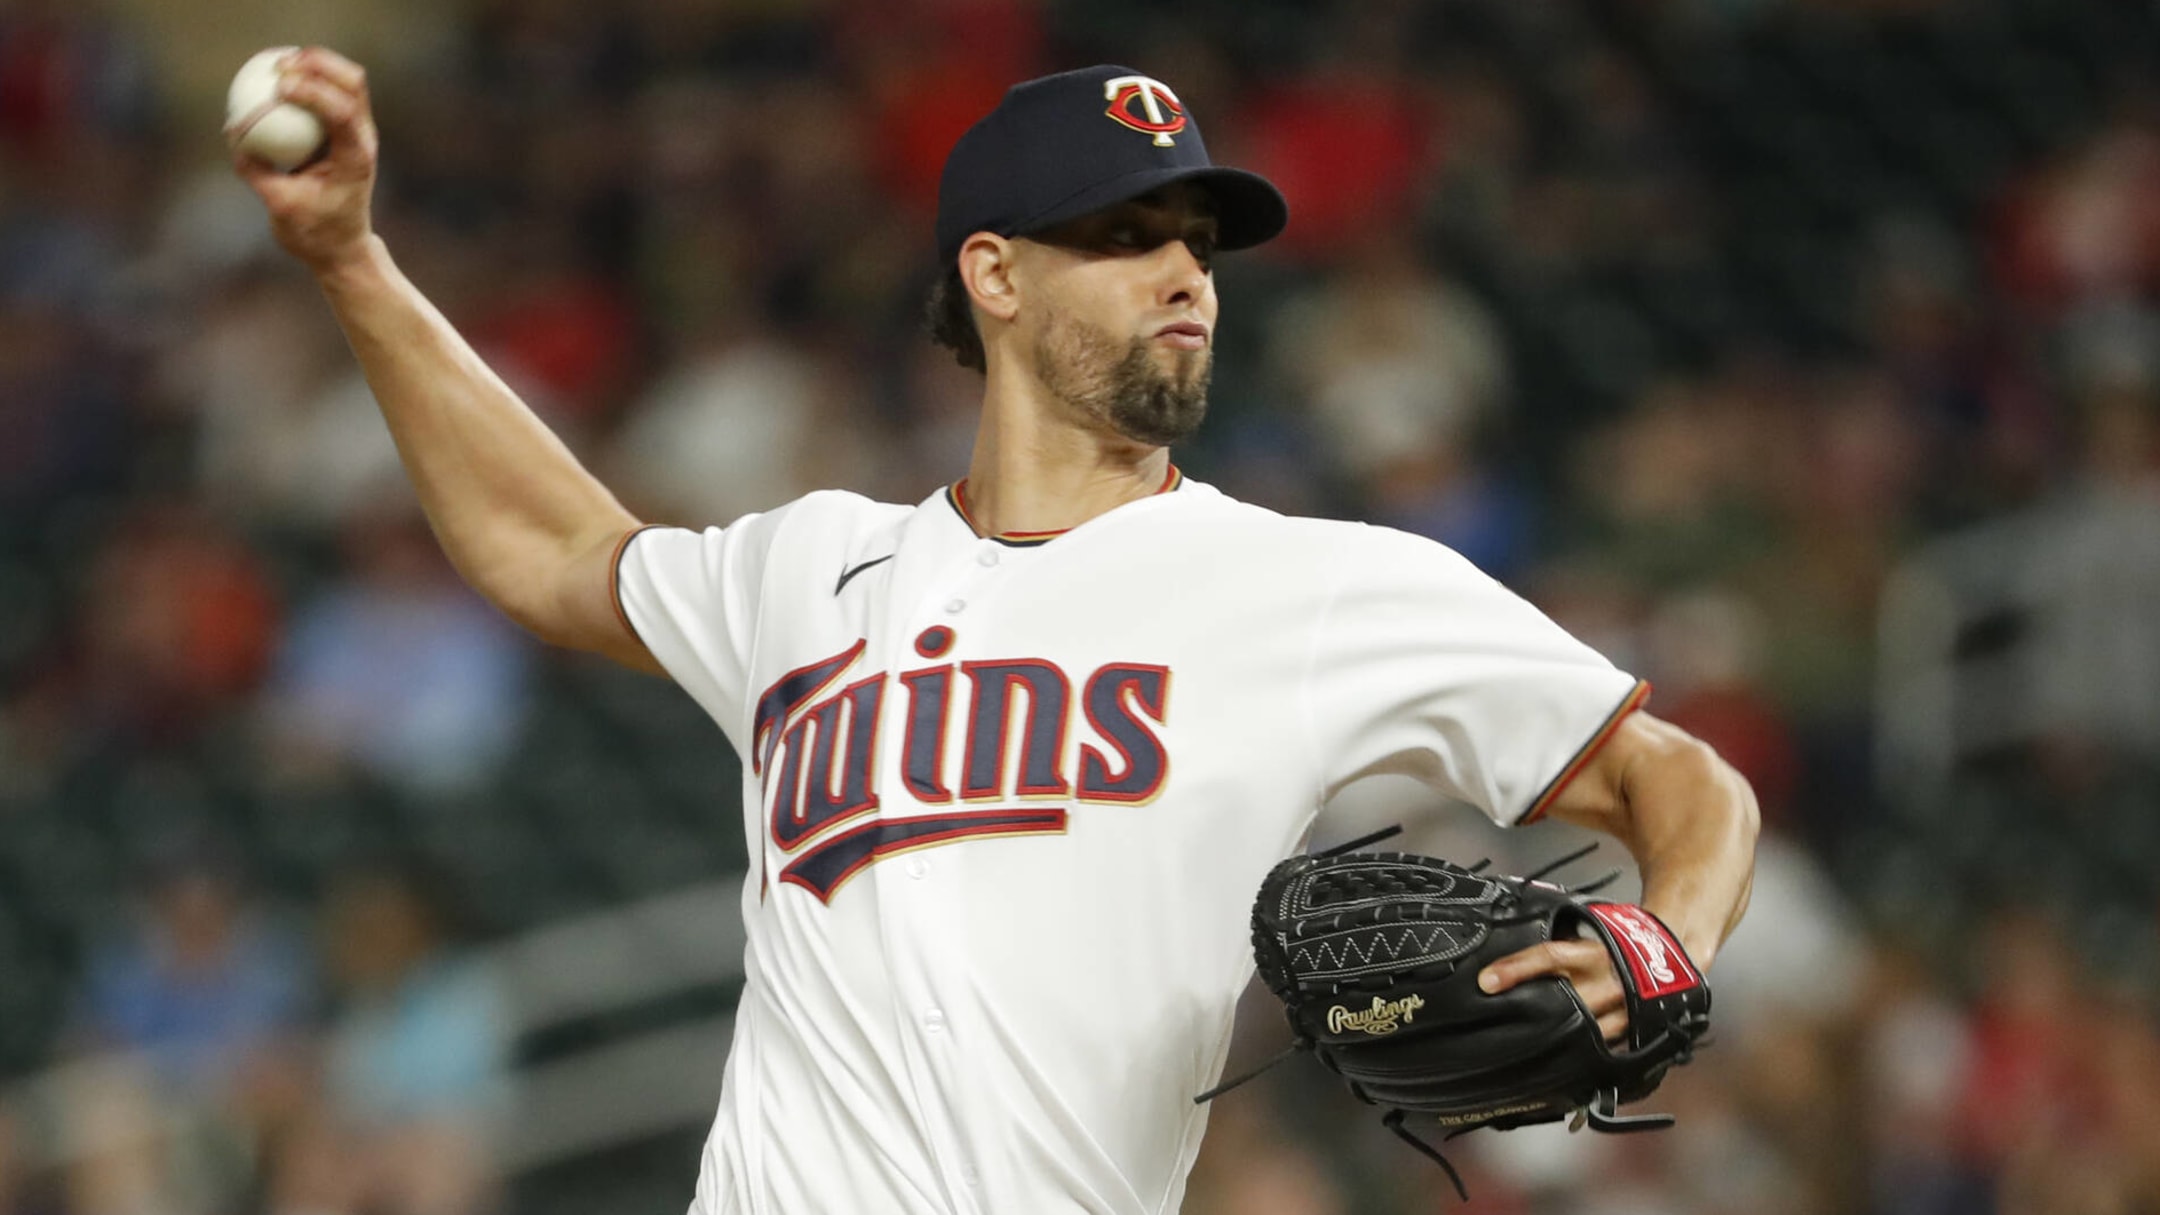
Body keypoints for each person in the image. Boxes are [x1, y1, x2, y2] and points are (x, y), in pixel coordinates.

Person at [238, 51, 1760, 1215]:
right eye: (1130, 233)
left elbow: (1682, 782)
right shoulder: (809, 569)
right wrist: (352, 264)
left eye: (1201, 244)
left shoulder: (1311, 587)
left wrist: (1661, 939)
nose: (1186, 274)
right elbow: (550, 549)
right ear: (997, 275)